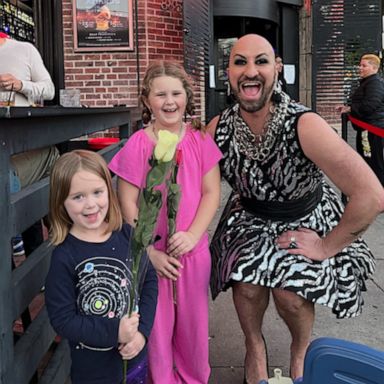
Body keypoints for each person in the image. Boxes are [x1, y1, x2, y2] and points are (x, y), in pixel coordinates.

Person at [207, 34, 384, 384]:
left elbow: (371, 195)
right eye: (239, 61)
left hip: (304, 217)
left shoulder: (304, 124)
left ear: (277, 69)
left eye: (260, 61)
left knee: (290, 294)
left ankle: (300, 352)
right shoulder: (218, 128)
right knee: (247, 285)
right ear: (228, 72)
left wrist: (324, 246)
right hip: (249, 217)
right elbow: (198, 189)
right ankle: (254, 347)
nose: (250, 70)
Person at [109, 61, 222, 384]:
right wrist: (148, 253)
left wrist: (192, 234)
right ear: (147, 101)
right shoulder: (138, 144)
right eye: (160, 95)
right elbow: (127, 201)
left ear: (187, 97)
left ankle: (193, 378)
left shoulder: (199, 139)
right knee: (156, 329)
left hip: (191, 252)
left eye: (176, 93)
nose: (169, 101)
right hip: (151, 255)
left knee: (194, 329)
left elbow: (211, 192)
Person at [45, 150, 158, 384]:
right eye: (77, 197)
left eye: (97, 192)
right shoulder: (64, 256)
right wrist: (114, 331)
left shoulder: (127, 236)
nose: (91, 205)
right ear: (61, 202)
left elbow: (149, 282)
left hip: (135, 359)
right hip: (93, 372)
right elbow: (63, 319)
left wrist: (142, 333)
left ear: (109, 189)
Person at [0, 31, 59, 256]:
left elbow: (49, 89)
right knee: (50, 158)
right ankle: (57, 245)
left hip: (19, 149)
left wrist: (20, 84)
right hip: (9, 162)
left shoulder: (23, 50)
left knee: (39, 164)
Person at [336, 54, 384, 185]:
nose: (360, 68)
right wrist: (349, 108)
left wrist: (351, 109)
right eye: (360, 65)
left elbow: (370, 105)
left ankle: (377, 195)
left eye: (364, 66)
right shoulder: (370, 83)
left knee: (373, 163)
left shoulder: (374, 84)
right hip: (368, 129)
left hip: (371, 130)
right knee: (369, 161)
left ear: (374, 68)